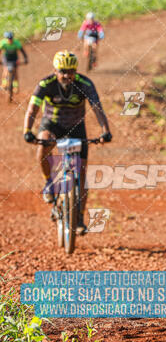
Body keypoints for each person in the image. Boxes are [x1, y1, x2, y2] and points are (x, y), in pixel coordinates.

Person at [23, 50, 112, 234]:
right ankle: (49, 183)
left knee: (82, 172)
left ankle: (78, 218)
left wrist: (106, 131)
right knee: (43, 144)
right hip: (52, 124)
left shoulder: (85, 84)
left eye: (70, 72)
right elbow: (32, 109)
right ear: (55, 70)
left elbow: (97, 108)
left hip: (76, 127)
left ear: (76, 71)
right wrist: (28, 131)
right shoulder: (46, 84)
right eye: (62, 71)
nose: (67, 75)